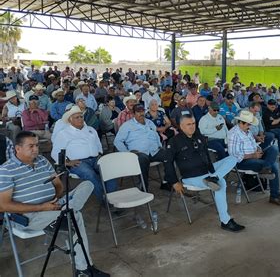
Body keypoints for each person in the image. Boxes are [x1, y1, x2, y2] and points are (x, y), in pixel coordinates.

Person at [0, 131, 110, 277]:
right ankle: (83, 269)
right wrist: (42, 207)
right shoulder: (6, 170)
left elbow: (58, 185)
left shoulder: (42, 161)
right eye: (31, 146)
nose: (35, 149)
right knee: (74, 216)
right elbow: (4, 205)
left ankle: (62, 214)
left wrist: (56, 199)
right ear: (17, 148)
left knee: (88, 185)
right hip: (30, 215)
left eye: (37, 145)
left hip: (54, 204)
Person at [163, 114, 245, 232]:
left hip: (208, 172)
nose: (192, 127)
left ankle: (214, 177)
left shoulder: (199, 136)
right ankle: (225, 221)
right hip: (191, 177)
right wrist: (174, 182)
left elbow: (206, 155)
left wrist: (213, 171)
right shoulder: (174, 141)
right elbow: (167, 163)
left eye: (193, 124)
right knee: (220, 184)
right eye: (188, 124)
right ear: (181, 126)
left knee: (233, 158)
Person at [52, 106, 117, 202]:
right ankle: (106, 201)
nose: (80, 119)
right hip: (78, 162)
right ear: (70, 120)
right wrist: (67, 162)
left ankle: (112, 198)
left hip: (95, 158)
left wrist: (99, 153)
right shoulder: (64, 133)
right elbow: (55, 152)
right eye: (76, 117)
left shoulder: (91, 129)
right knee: (89, 174)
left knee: (110, 170)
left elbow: (98, 144)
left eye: (81, 116)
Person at [228, 110, 280, 207]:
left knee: (274, 148)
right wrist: (253, 155)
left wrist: (258, 150)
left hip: (253, 155)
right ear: (241, 122)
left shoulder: (247, 131)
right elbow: (234, 155)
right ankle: (274, 196)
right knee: (274, 166)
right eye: (248, 124)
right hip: (243, 161)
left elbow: (254, 144)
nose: (250, 126)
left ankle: (265, 168)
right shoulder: (233, 134)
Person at [114, 104, 164, 191]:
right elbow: (117, 141)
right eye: (138, 112)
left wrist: (159, 145)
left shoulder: (150, 122)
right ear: (133, 114)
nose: (141, 113)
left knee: (169, 155)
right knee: (143, 159)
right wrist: (128, 153)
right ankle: (144, 187)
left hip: (154, 151)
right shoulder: (127, 125)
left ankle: (168, 182)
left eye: (142, 111)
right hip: (139, 153)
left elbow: (155, 134)